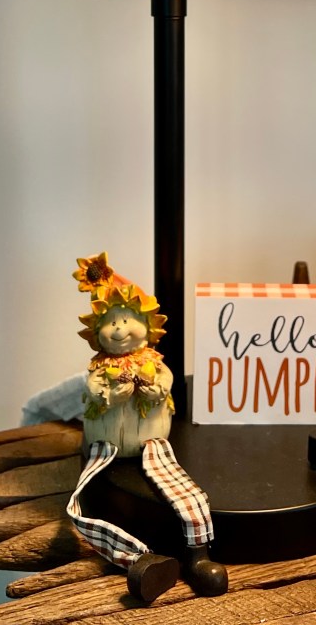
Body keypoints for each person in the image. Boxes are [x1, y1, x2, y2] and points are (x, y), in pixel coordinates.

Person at [66, 252, 228, 603]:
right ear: (97, 333)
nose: (120, 328)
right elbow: (95, 393)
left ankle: (198, 555)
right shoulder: (99, 369)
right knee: (75, 507)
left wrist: (150, 387)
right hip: (104, 444)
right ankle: (140, 558)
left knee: (186, 492)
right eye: (110, 321)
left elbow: (164, 387)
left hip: (151, 441)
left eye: (127, 318)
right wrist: (114, 391)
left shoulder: (154, 365)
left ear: (147, 325)